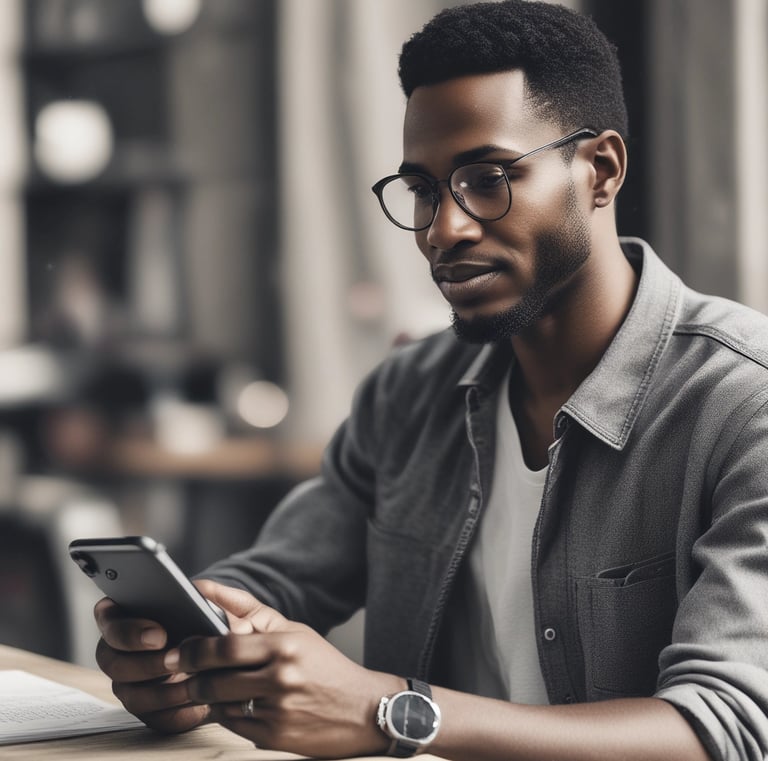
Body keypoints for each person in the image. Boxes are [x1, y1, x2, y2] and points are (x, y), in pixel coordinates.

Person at [93, 2, 768, 760]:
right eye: (423, 189)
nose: (443, 228)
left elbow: (728, 727)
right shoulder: (408, 393)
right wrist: (183, 647)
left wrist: (392, 711)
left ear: (601, 170)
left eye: (487, 179)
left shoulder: (743, 404)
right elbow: (277, 579)